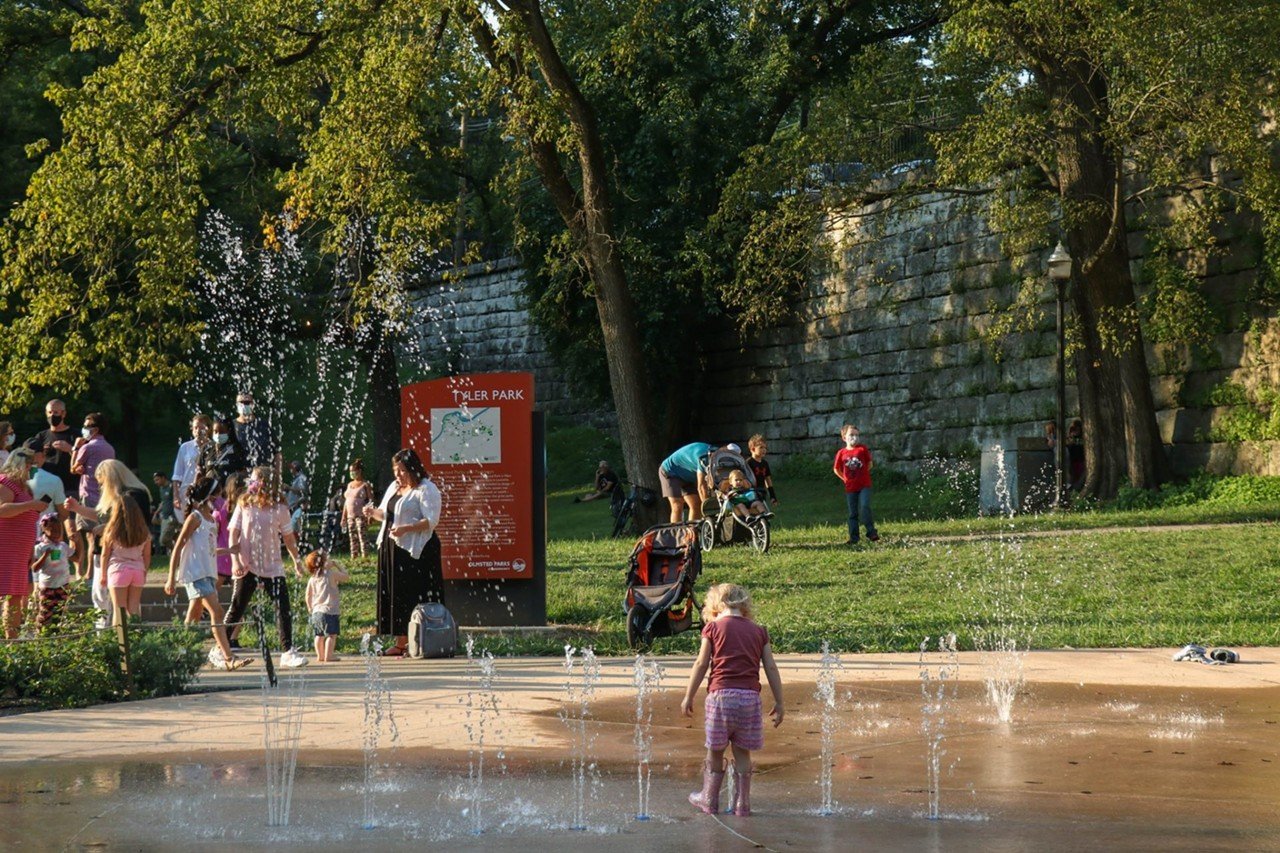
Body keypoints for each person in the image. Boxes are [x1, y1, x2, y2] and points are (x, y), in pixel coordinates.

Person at [680, 583, 785, 817]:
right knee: (743, 753)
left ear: (715, 604)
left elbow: (701, 663)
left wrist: (689, 695)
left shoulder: (713, 629)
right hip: (749, 699)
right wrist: (779, 701)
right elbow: (770, 667)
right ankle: (742, 804)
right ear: (745, 605)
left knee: (715, 751)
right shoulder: (759, 631)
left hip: (720, 699)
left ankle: (709, 799)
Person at [223, 465, 308, 668]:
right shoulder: (244, 503)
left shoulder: (279, 508)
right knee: (237, 607)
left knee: (283, 608)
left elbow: (288, 538)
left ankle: (288, 652)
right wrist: (235, 561)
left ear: (264, 482)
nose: (249, 483)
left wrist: (296, 561)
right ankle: (220, 647)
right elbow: (233, 533)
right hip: (246, 564)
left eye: (253, 479)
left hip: (272, 566)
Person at [164, 476, 249, 670]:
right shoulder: (195, 518)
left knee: (194, 614)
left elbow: (209, 550)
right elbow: (178, 547)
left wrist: (229, 551)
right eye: (219, 494)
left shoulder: (211, 519)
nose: (221, 498)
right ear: (209, 495)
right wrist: (171, 578)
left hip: (208, 573)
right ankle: (228, 657)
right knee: (217, 612)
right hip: (196, 573)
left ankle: (181, 652)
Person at [364, 448, 443, 657]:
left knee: (413, 594)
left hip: (416, 551)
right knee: (396, 595)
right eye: (395, 470)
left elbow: (431, 521)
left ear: (413, 468)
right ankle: (400, 642)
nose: (398, 475)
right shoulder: (394, 487)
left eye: (402, 470)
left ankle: (418, 641)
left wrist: (406, 528)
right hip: (392, 547)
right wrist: (372, 513)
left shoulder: (426, 489)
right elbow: (386, 514)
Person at [0, 449, 48, 638]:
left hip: (20, 551)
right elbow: (2, 510)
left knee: (16, 596)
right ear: (21, 465)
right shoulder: (6, 483)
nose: (33, 470)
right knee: (8, 594)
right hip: (5, 548)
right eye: (30, 466)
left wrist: (30, 551)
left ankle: (13, 643)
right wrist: (30, 505)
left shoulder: (25, 487)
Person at [69, 411, 115, 574]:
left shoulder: (88, 447)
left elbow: (73, 467)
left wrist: (75, 447)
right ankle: (100, 569)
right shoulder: (109, 448)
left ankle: (88, 572)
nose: (84, 429)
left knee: (90, 537)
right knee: (102, 533)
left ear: (95, 429)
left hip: (88, 495)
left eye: (87, 426)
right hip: (105, 495)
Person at [98, 492, 151, 627]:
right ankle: (137, 638)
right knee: (134, 609)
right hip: (138, 571)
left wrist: (103, 574)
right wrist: (144, 571)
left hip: (118, 570)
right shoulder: (144, 532)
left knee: (119, 610)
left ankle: (120, 643)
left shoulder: (111, 532)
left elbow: (105, 554)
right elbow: (147, 555)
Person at [23, 439, 74, 577]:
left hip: (19, 535)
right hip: (46, 537)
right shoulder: (53, 480)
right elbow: (63, 513)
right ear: (43, 456)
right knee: (46, 579)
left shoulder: (12, 479)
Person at [833, 424, 878, 545]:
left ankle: (871, 532)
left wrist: (862, 474)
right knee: (853, 513)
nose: (855, 437)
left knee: (865, 506)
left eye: (857, 435)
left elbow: (870, 464)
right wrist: (845, 479)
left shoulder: (862, 449)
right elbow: (836, 469)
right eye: (851, 435)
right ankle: (854, 537)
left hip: (864, 485)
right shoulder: (841, 453)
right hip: (850, 487)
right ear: (844, 437)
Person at [304, 550, 349, 663]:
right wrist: (337, 565)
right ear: (324, 562)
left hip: (316, 612)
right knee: (331, 635)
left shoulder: (312, 578)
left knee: (318, 635)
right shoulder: (331, 574)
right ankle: (329, 656)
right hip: (330, 611)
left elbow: (308, 595)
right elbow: (346, 577)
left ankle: (320, 656)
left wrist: (310, 607)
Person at [28, 398, 79, 496]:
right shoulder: (41, 436)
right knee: (49, 511)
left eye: (56, 412)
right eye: (49, 412)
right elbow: (32, 462)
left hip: (70, 487)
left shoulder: (75, 434)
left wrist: (70, 449)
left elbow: (85, 460)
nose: (52, 416)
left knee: (68, 511)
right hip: (47, 487)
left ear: (63, 414)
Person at [30, 514, 72, 631]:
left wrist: (77, 541)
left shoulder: (63, 546)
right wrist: (45, 556)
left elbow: (76, 557)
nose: (56, 533)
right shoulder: (40, 547)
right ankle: (40, 636)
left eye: (59, 530)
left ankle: (58, 637)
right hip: (47, 587)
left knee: (61, 614)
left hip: (63, 585)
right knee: (44, 614)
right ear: (44, 530)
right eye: (52, 530)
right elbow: (34, 568)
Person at [659, 442, 714, 524]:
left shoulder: (721, 459)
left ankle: (692, 533)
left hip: (688, 474)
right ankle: (677, 534)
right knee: (677, 505)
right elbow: (701, 487)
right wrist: (708, 510)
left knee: (696, 504)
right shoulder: (705, 459)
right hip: (670, 471)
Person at [171, 414, 212, 520]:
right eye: (195, 428)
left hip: (206, 494)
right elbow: (177, 474)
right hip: (186, 494)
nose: (198, 431)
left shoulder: (213, 447)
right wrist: (176, 496)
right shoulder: (185, 447)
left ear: (208, 429)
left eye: (202, 428)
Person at [233, 391, 280, 476]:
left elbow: (277, 452)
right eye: (241, 402)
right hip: (240, 477)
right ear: (236, 404)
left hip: (263, 475)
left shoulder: (264, 425)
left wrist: (278, 476)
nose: (244, 405)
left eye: (247, 402)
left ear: (253, 404)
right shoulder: (231, 427)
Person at [211, 472, 241, 589]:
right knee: (239, 595)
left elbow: (213, 532)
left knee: (210, 594)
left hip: (222, 556)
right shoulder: (246, 508)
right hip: (240, 555)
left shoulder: (221, 509)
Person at [341, 459, 373, 558]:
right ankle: (354, 555)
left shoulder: (365, 485)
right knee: (352, 537)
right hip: (350, 516)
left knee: (362, 536)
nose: (351, 473)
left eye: (353, 471)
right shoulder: (349, 485)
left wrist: (370, 515)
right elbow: (346, 502)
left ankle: (365, 556)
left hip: (361, 515)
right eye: (350, 471)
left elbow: (371, 500)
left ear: (359, 471)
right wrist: (344, 517)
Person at [208, 417, 248, 485]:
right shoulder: (207, 448)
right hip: (210, 491)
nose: (218, 435)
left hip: (230, 490)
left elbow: (244, 470)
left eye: (222, 432)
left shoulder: (237, 449)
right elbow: (200, 470)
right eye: (215, 431)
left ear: (229, 431)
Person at [745, 435, 778, 508]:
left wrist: (772, 495)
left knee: (762, 509)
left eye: (765, 448)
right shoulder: (748, 463)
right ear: (753, 449)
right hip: (751, 491)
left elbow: (768, 479)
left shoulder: (765, 463)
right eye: (761, 447)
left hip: (762, 491)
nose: (764, 450)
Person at [152, 472, 180, 555]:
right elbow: (163, 502)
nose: (156, 482)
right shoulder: (161, 489)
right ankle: (177, 554)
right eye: (155, 480)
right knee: (173, 537)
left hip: (172, 517)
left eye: (157, 480)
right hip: (164, 517)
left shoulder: (171, 487)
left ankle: (176, 552)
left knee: (163, 540)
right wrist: (156, 513)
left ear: (163, 478)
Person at [285, 460, 309, 538]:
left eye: (291, 468)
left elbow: (302, 492)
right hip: (292, 508)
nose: (290, 470)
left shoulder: (301, 478)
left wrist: (289, 488)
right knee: (292, 529)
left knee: (295, 529)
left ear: (294, 468)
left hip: (297, 507)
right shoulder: (297, 478)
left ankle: (300, 545)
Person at [1067, 418, 1085, 492]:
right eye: (1074, 430)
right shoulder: (1069, 439)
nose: (1075, 432)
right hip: (1072, 461)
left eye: (1077, 429)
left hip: (1080, 461)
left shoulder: (1082, 439)